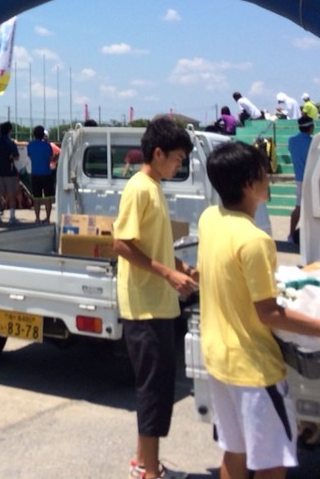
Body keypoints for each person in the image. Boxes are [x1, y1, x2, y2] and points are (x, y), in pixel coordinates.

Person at [199, 141, 320, 479]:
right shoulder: (254, 240)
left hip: (218, 359)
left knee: (234, 452)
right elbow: (269, 313)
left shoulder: (210, 219)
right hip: (252, 369)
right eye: (264, 174)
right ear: (249, 183)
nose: (269, 179)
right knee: (271, 462)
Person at [113, 116, 199, 479]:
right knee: (154, 392)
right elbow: (122, 244)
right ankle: (150, 472)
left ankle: (143, 462)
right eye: (177, 159)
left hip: (158, 304)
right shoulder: (140, 189)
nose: (179, 166)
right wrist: (168, 274)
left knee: (158, 389)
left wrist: (181, 266)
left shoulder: (154, 187)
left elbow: (153, 245)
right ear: (159, 153)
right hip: (145, 307)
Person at [287, 115, 313, 245]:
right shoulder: (313, 142)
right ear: (311, 127)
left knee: (298, 207)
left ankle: (291, 234)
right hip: (311, 179)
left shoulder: (291, 141)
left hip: (299, 178)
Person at [0, 121, 21, 226]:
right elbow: (16, 156)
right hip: (9, 171)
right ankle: (12, 217)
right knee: (11, 194)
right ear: (9, 131)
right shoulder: (10, 143)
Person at [26, 125, 55, 224]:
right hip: (46, 173)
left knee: (37, 198)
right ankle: (48, 218)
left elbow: (30, 156)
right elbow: (50, 159)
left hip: (35, 174)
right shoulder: (47, 145)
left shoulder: (30, 145)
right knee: (48, 197)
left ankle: (37, 218)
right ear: (43, 135)